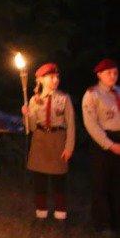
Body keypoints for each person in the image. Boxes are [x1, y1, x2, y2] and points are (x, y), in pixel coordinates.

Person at [22, 63, 75, 222]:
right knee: (40, 179)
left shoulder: (64, 98)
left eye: (56, 77)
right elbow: (30, 127)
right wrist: (27, 114)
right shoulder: (34, 99)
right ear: (41, 80)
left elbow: (71, 125)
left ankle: (60, 213)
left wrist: (69, 147)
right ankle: (41, 212)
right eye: (51, 77)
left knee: (59, 179)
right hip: (40, 140)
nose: (55, 80)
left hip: (58, 139)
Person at [81, 58, 120, 235]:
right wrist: (110, 145)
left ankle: (116, 222)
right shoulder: (93, 94)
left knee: (117, 183)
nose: (113, 76)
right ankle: (103, 225)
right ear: (99, 75)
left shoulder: (118, 92)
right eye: (109, 73)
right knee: (102, 183)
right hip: (103, 140)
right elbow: (91, 125)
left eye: (115, 72)